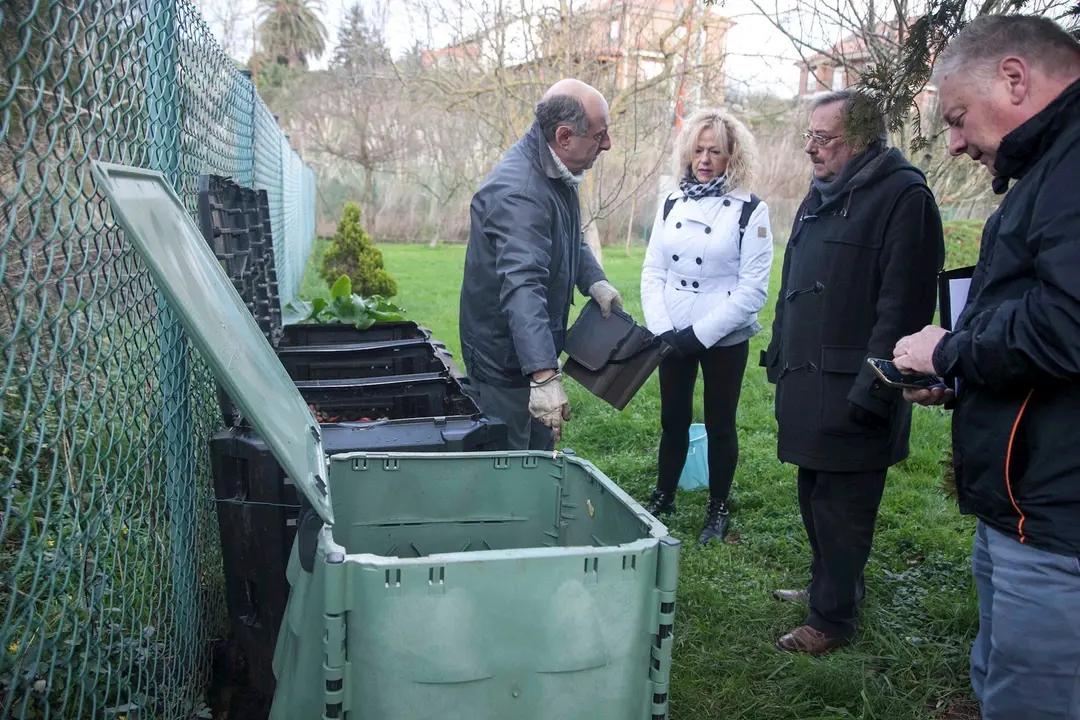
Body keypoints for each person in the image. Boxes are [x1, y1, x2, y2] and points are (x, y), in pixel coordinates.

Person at [892, 16, 1080, 719]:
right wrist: (963, 374)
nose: (954, 141)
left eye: (958, 117)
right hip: (1018, 502)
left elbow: (1067, 327)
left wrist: (949, 349)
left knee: (1034, 697)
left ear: (1014, 78)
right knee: (1001, 676)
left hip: (1057, 518)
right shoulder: (1047, 170)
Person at [759, 88, 945, 655]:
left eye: (824, 137)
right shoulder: (822, 193)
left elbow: (904, 309)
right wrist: (780, 352)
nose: (811, 149)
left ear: (862, 139)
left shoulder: (903, 197)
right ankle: (830, 587)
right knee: (814, 492)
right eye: (809, 136)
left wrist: (875, 387)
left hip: (854, 386)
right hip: (808, 382)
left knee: (844, 508)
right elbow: (795, 281)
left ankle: (832, 621)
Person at [458, 79, 623, 450]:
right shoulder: (521, 193)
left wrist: (594, 281)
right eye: (599, 136)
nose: (608, 144)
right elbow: (522, 287)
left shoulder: (558, 171)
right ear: (565, 136)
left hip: (530, 350)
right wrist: (544, 374)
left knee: (538, 451)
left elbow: (568, 236)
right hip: (504, 360)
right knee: (510, 463)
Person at [639, 108, 774, 545]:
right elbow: (653, 269)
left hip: (724, 333)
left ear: (731, 156)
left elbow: (753, 291)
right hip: (672, 332)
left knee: (720, 423)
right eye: (698, 149)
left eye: (715, 151)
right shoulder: (671, 201)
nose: (704, 159)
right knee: (672, 419)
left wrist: (698, 335)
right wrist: (664, 330)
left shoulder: (751, 210)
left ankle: (718, 506)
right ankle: (665, 493)